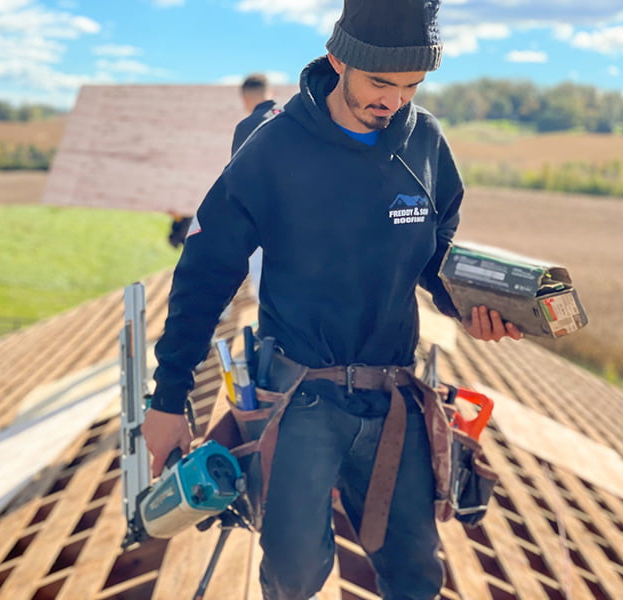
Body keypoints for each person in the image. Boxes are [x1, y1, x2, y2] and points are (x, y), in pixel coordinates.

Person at [142, 0, 523, 598]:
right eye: (379, 82)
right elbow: (205, 274)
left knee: (417, 572)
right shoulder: (274, 150)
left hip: (394, 397)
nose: (393, 100)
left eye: (411, 86)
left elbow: (435, 257)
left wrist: (470, 309)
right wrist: (167, 399)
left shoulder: (425, 142)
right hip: (301, 401)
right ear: (337, 60)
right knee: (295, 576)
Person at [166, 73, 280, 253]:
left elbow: (238, 180)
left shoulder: (248, 126)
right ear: (272, 92)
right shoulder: (294, 120)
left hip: (263, 223)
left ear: (244, 98)